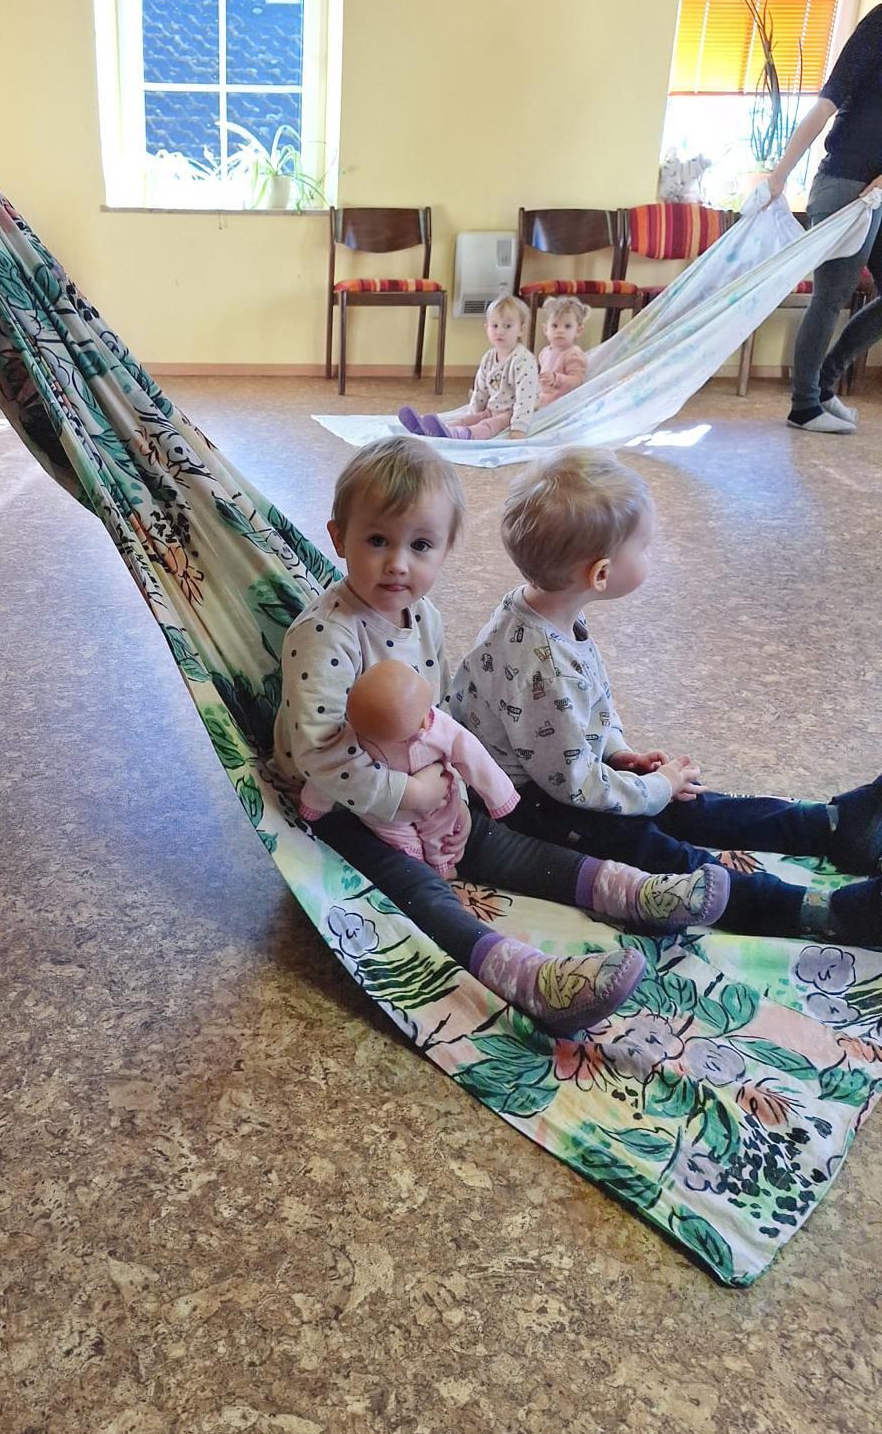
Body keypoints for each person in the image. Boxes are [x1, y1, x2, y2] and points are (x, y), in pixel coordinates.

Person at [272, 437, 732, 1040]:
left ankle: (636, 893)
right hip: (340, 806)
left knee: (500, 843)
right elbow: (319, 752)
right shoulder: (322, 637)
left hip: (422, 785)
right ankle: (531, 980)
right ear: (338, 538)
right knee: (417, 891)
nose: (398, 564)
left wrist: (444, 782)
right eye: (377, 540)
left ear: (445, 549)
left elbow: (432, 713)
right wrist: (407, 796)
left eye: (420, 545)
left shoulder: (424, 617)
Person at [449, 449, 882, 943]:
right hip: (529, 806)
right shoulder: (543, 665)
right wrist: (652, 788)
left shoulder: (539, 610)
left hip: (560, 776)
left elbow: (583, 714)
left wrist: (618, 752)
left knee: (689, 802)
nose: (651, 556)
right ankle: (824, 913)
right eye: (646, 547)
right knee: (656, 850)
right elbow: (573, 785)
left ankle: (832, 825)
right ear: (601, 575)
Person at [766, 4, 882, 434]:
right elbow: (825, 106)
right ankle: (804, 406)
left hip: (878, 193)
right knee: (831, 296)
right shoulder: (877, 26)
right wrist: (779, 174)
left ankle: (823, 385)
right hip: (845, 185)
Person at [298, 658, 520, 880]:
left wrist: (499, 796)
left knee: (443, 830)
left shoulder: (440, 726)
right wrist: (314, 805)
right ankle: (420, 867)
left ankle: (442, 866)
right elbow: (331, 778)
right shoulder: (355, 740)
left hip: (440, 802)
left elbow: (473, 756)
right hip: (387, 813)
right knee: (401, 844)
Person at [397, 295, 540, 442]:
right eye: (495, 326)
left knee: (487, 425)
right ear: (487, 328)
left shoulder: (523, 360)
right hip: (492, 409)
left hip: (510, 412)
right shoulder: (489, 357)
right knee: (466, 420)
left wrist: (519, 428)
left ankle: (460, 434)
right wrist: (473, 414)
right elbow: (481, 390)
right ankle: (433, 430)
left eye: (507, 326)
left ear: (521, 329)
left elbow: (525, 398)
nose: (500, 331)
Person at [536, 297, 589, 405]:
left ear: (578, 330)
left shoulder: (573, 354)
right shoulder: (545, 352)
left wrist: (557, 379)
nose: (560, 331)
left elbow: (577, 381)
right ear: (545, 329)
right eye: (554, 326)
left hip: (563, 405)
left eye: (567, 326)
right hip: (544, 400)